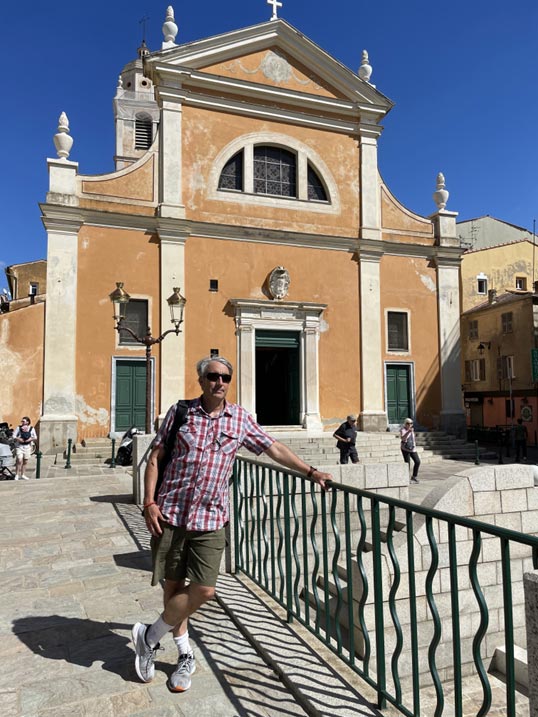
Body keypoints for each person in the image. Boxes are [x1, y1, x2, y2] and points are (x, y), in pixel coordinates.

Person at [132, 356, 332, 692]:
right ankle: (184, 656)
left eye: (225, 377)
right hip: (171, 514)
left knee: (204, 590)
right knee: (173, 588)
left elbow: (274, 448)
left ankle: (148, 635)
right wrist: (149, 502)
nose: (219, 382)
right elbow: (155, 457)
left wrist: (311, 472)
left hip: (211, 519)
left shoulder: (239, 418)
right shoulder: (180, 413)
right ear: (201, 380)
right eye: (212, 376)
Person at [400, 418, 420, 483]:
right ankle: (406, 478)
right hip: (405, 449)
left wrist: (414, 446)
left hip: (412, 448)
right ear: (405, 424)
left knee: (417, 461)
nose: (410, 425)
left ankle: (414, 476)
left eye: (411, 423)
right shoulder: (403, 430)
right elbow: (403, 439)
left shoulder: (412, 430)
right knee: (407, 463)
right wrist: (408, 431)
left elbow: (412, 439)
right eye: (408, 423)